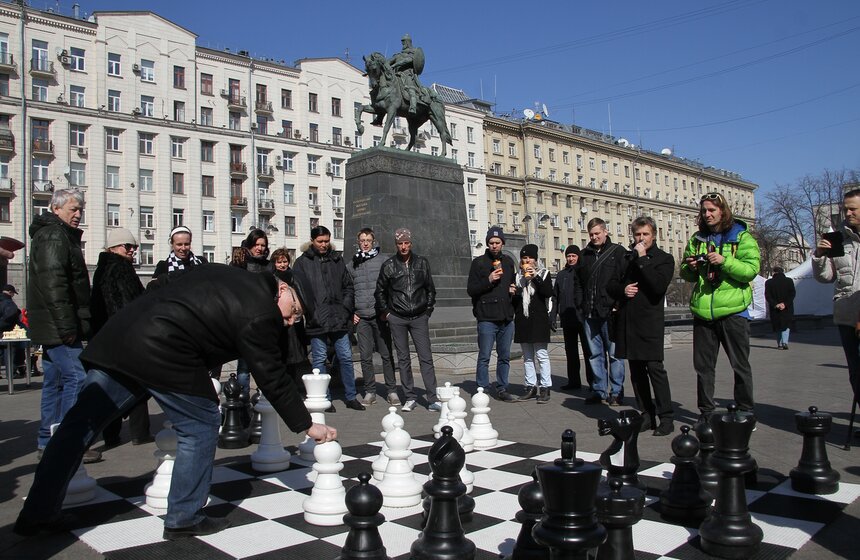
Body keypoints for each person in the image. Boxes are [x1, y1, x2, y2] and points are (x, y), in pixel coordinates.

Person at [14, 264, 336, 539]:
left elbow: (167, 283)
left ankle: (37, 514)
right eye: (294, 312)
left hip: (121, 337)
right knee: (201, 424)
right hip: (163, 350)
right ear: (283, 290)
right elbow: (271, 376)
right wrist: (307, 425)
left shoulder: (226, 273)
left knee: (78, 428)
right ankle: (185, 517)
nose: (291, 322)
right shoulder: (262, 312)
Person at [28, 188, 100, 463]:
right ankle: (68, 443)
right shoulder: (54, 236)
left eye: (80, 209)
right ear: (56, 209)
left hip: (54, 323)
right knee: (76, 378)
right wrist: (68, 325)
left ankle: (48, 442)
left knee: (55, 382)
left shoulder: (54, 235)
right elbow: (54, 283)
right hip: (59, 325)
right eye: (73, 209)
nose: (78, 214)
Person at [681, 192, 760, 423]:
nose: (707, 215)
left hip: (734, 311)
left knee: (740, 364)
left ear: (723, 211)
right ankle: (706, 412)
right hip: (703, 311)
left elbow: (750, 270)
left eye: (712, 210)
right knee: (703, 367)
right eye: (704, 211)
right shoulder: (697, 239)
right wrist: (692, 266)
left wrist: (724, 261)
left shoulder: (741, 237)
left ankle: (745, 411)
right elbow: (686, 274)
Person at [609, 217, 675, 436]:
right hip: (629, 322)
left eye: (645, 234)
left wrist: (644, 258)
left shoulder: (664, 259)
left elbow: (657, 287)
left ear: (653, 235)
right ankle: (647, 415)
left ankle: (666, 416)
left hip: (650, 322)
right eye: (637, 234)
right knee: (636, 372)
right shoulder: (626, 258)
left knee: (655, 369)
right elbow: (611, 285)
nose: (641, 239)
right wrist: (623, 290)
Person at [91, 228, 154, 448]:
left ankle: (111, 434)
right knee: (137, 384)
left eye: (134, 247)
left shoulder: (103, 268)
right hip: (125, 337)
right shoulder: (120, 268)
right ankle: (140, 432)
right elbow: (129, 306)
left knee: (112, 387)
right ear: (113, 248)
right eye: (127, 246)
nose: (132, 250)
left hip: (106, 338)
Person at [292, 226, 365, 411]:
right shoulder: (302, 263)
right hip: (317, 320)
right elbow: (299, 291)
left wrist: (346, 307)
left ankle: (351, 397)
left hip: (339, 318)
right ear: (312, 241)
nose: (324, 245)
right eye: (320, 241)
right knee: (319, 360)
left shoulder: (337, 259)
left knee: (346, 358)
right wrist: (312, 312)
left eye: (326, 241)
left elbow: (348, 286)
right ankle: (324, 397)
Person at [375, 228, 441, 412]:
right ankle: (410, 397)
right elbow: (379, 291)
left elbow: (430, 289)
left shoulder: (422, 262)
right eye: (400, 243)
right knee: (403, 358)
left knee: (426, 357)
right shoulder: (389, 265)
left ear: (411, 243)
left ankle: (432, 398)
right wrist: (387, 312)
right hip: (397, 317)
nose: (403, 246)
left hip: (419, 317)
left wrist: (428, 310)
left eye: (406, 243)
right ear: (396, 245)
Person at [813, 187, 860, 410]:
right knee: (856, 371)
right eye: (845, 209)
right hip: (848, 314)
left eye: (853, 209)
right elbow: (826, 277)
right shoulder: (839, 238)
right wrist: (820, 256)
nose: (848, 214)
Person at [578, 218, 626, 406]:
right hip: (589, 313)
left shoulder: (618, 252)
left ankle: (616, 391)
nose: (594, 237)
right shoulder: (585, 255)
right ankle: (599, 390)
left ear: (606, 232)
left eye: (597, 233)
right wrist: (581, 305)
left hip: (610, 312)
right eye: (591, 234)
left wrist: (618, 304)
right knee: (594, 354)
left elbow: (624, 280)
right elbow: (578, 283)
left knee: (615, 354)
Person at [466, 227, 517, 402]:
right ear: (487, 244)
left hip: (506, 318)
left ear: (502, 243)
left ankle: (502, 388)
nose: (494, 245)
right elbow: (471, 290)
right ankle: (482, 389)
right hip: (487, 317)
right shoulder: (479, 263)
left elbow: (513, 283)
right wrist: (488, 280)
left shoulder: (509, 262)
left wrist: (513, 290)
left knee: (504, 356)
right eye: (491, 243)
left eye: (497, 242)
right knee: (484, 356)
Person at [349, 228, 399, 406]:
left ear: (373, 241)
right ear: (358, 241)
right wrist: (352, 313)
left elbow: (392, 286)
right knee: (365, 356)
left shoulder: (383, 261)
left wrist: (388, 310)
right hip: (362, 317)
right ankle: (370, 391)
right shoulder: (352, 264)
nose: (365, 243)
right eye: (362, 240)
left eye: (368, 240)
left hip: (380, 316)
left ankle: (392, 390)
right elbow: (349, 291)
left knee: (386, 354)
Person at [512, 244, 554, 403]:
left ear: (535, 260)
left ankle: (545, 387)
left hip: (539, 320)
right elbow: (515, 301)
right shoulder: (517, 277)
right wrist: (514, 292)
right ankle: (530, 386)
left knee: (542, 355)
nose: (527, 260)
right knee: (528, 357)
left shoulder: (543, 274)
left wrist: (534, 276)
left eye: (529, 257)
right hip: (523, 320)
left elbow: (548, 293)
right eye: (524, 258)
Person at [231, 229, 270, 392]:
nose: (259, 248)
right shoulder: (240, 264)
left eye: (263, 245)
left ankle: (264, 400)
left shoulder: (269, 266)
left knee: (265, 366)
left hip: (265, 322)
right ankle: (242, 400)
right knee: (244, 367)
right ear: (249, 245)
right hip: (244, 322)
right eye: (256, 244)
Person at [550, 245, 593, 391]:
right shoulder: (562, 275)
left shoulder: (583, 272)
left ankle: (593, 383)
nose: (571, 258)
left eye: (573, 256)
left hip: (582, 318)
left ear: (578, 257)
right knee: (571, 351)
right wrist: (552, 315)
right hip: (567, 318)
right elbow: (555, 297)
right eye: (568, 256)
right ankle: (573, 381)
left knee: (588, 351)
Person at [388, 33, 425, 114]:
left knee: (411, 89)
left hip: (407, 75)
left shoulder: (413, 52)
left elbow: (408, 60)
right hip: (396, 75)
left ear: (408, 42)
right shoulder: (398, 55)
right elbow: (387, 62)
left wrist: (395, 64)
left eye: (404, 42)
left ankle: (413, 107)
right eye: (402, 43)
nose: (403, 44)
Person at [765, 266, 796, 350]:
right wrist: (785, 304)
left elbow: (768, 296)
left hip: (775, 308)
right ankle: (785, 342)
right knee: (786, 325)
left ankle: (779, 343)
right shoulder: (789, 281)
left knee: (777, 325)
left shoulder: (769, 282)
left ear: (774, 273)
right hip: (787, 308)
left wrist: (776, 304)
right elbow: (792, 294)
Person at [0, 283, 26, 377]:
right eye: (13, 293)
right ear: (10, 292)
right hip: (8, 332)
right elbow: (9, 316)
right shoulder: (8, 302)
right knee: (11, 353)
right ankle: (11, 373)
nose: (13, 295)